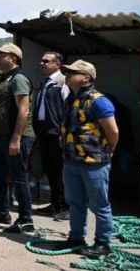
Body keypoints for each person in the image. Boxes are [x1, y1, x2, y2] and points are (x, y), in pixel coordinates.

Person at [58, 60, 118, 259]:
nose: (68, 75)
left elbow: (113, 131)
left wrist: (108, 152)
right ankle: (76, 238)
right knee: (75, 202)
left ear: (86, 78)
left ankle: (103, 243)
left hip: (94, 163)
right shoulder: (70, 99)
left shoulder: (99, 101)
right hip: (72, 161)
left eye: (73, 73)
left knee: (99, 204)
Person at [0, 43, 36, 233]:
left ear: (13, 58)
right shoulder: (1, 77)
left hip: (17, 136)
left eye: (1, 54)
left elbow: (23, 110)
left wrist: (16, 138)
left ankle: (26, 219)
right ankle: (2, 211)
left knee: (19, 178)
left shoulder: (19, 79)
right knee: (0, 175)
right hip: (1, 135)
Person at [32, 51, 70, 220]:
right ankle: (55, 204)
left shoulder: (62, 83)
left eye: (46, 61)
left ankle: (65, 207)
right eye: (41, 60)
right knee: (50, 169)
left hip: (57, 134)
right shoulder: (45, 83)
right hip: (44, 132)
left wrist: (63, 132)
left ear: (57, 64)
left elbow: (68, 109)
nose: (42, 63)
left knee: (60, 171)